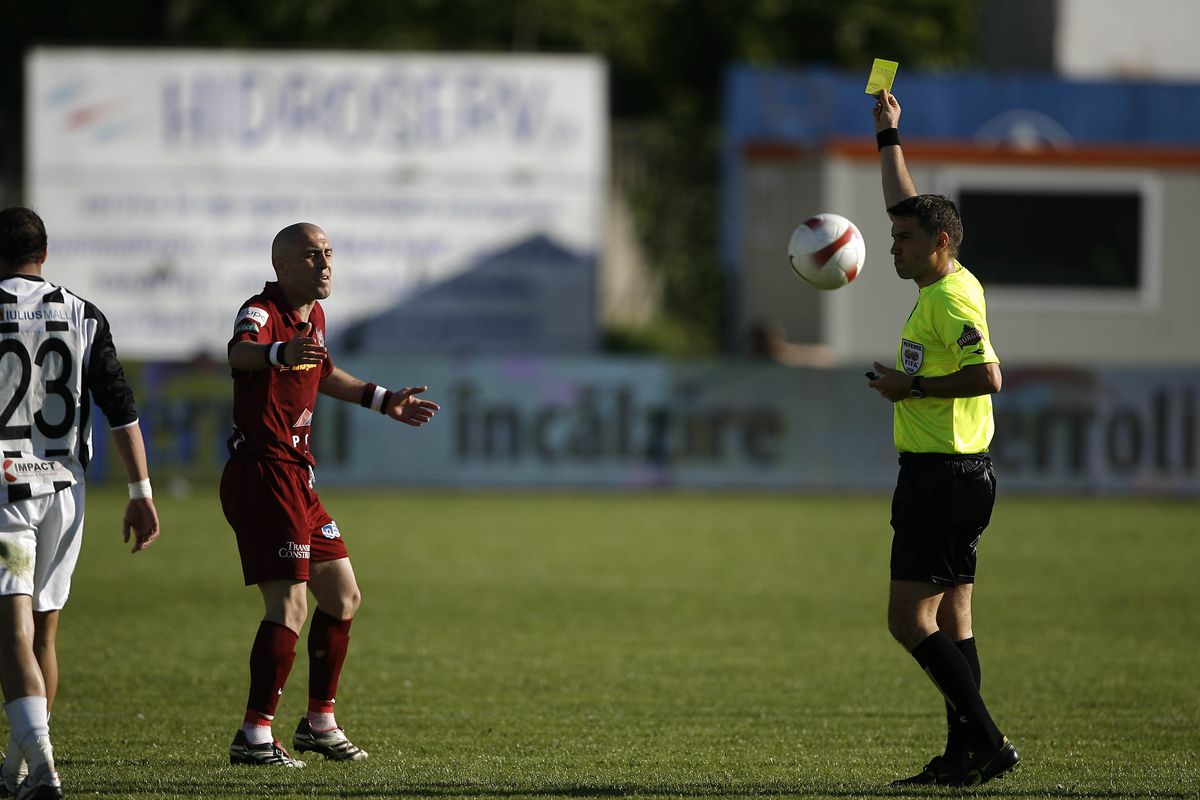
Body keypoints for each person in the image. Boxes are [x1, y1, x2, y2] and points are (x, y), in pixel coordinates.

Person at [220, 222, 439, 768]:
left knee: (342, 596)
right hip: (264, 473)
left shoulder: (312, 317)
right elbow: (240, 352)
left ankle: (319, 723)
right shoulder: (262, 311)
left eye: (328, 254)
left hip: (298, 477)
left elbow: (320, 371)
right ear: (283, 266)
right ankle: (253, 734)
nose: (324, 265)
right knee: (290, 604)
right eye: (312, 256)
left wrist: (383, 399)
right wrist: (278, 353)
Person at [866, 90, 1019, 788]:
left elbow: (988, 374)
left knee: (907, 618)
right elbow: (912, 206)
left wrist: (913, 389)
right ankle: (963, 757)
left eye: (903, 240)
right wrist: (888, 138)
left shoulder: (951, 298)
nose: (892, 247)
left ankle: (987, 742)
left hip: (942, 476)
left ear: (941, 244)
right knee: (954, 615)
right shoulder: (941, 280)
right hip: (961, 472)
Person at [0, 206, 160, 799]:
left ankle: (41, 768)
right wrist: (141, 492)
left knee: (10, 630)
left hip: (7, 497)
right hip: (65, 495)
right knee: (44, 634)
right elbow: (121, 407)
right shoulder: (83, 313)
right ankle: (15, 770)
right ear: (45, 251)